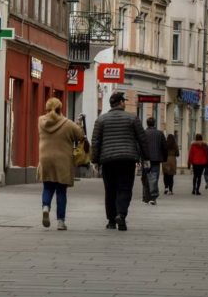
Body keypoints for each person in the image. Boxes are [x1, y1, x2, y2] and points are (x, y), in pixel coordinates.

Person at [91, 91, 146, 231]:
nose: (125, 103)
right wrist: (146, 158)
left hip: (108, 160)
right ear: (121, 103)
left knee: (110, 190)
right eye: (124, 101)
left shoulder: (101, 120)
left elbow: (95, 141)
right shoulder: (132, 118)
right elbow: (142, 139)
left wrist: (95, 160)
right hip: (127, 160)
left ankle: (111, 221)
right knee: (125, 188)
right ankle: (121, 214)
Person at [37, 98, 85, 231]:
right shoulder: (68, 124)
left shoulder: (40, 121)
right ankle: (60, 222)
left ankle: (46, 207)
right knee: (61, 191)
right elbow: (81, 136)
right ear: (60, 108)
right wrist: (79, 124)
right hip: (63, 160)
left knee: (47, 187)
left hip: (45, 158)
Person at [140, 117, 167, 205]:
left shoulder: (143, 133)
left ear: (147, 123)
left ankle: (146, 197)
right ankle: (153, 197)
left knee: (146, 177)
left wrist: (139, 158)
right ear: (154, 123)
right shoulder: (160, 133)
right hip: (156, 160)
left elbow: (140, 146)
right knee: (154, 178)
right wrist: (164, 158)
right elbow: (164, 147)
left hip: (146, 159)